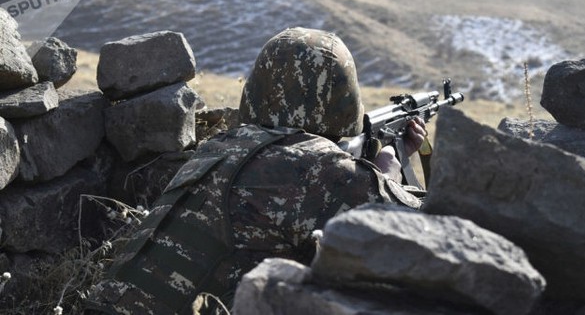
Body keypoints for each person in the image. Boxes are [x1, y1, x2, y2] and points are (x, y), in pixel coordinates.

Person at [85, 27, 427, 314]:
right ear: (342, 97)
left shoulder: (219, 146)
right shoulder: (316, 168)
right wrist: (387, 172)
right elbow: (428, 228)